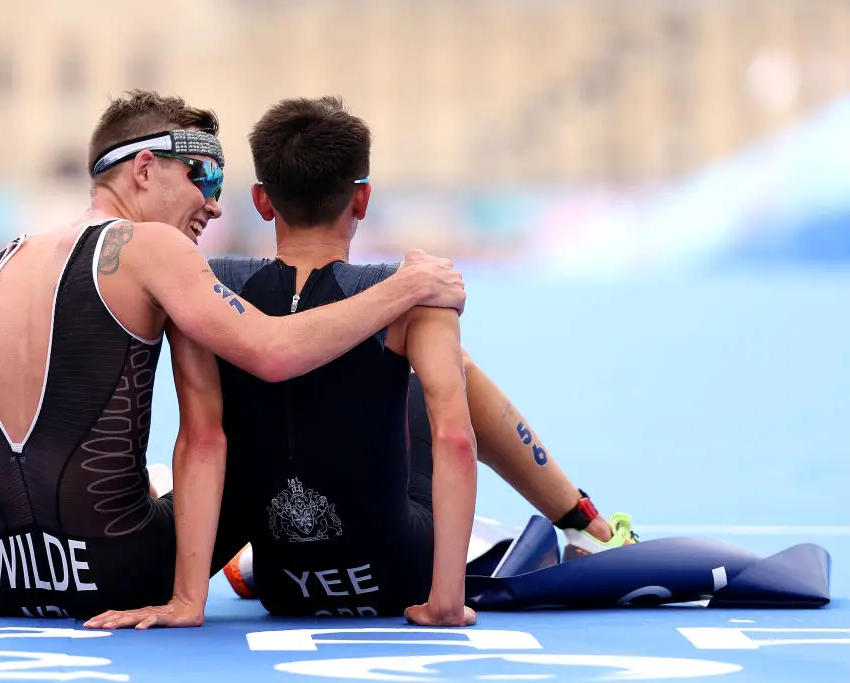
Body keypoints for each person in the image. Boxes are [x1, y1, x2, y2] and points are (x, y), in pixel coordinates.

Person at [81, 96, 637, 631]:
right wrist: (445, 600)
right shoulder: (413, 290)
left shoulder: (212, 282)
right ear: (363, 200)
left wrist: (187, 598)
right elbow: (456, 442)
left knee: (246, 418)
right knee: (439, 376)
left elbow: (201, 438)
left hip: (285, 585)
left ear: (261, 201)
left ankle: (252, 553)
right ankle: (583, 521)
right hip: (399, 578)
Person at [0, 90, 466, 622]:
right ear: (145, 169)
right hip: (117, 572)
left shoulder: (6, 258)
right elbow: (269, 354)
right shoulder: (154, 246)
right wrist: (406, 288)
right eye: (206, 177)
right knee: (259, 429)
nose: (214, 203)